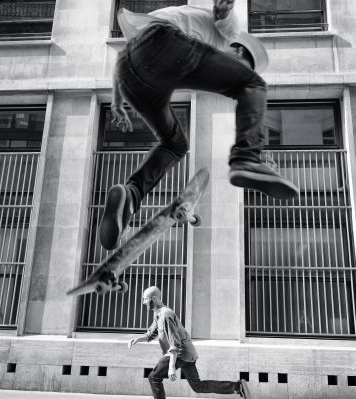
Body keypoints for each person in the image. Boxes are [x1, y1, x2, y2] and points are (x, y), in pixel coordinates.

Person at [100, 0, 299, 250]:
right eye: (240, 66)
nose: (230, 72)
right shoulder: (226, 36)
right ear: (238, 53)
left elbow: (122, 55)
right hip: (164, 44)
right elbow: (222, 13)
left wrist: (117, 102)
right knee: (252, 85)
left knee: (175, 144)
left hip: (131, 71)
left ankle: (129, 196)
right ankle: (246, 159)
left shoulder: (185, 27)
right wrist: (224, 7)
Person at [128, 286, 252, 399]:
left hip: (180, 353)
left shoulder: (166, 315)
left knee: (154, 377)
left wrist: (171, 368)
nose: (144, 302)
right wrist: (137, 339)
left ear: (154, 298)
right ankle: (237, 386)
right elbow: (151, 334)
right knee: (198, 386)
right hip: (186, 354)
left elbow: (174, 344)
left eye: (145, 299)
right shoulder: (158, 314)